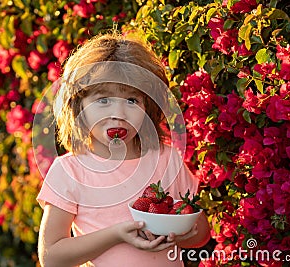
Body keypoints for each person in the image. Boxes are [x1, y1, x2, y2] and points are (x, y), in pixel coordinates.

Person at [36, 32, 211, 267]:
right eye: (103, 100)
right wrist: (117, 234)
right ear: (79, 107)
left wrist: (186, 233)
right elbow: (52, 257)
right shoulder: (71, 171)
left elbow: (201, 233)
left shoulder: (165, 158)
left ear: (148, 107)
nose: (118, 114)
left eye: (132, 100)